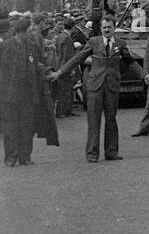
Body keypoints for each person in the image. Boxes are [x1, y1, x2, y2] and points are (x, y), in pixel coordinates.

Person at [51, 15, 133, 163]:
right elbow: (78, 58)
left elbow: (130, 62)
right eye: (104, 27)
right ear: (101, 29)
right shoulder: (94, 42)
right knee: (93, 120)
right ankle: (92, 153)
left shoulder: (120, 43)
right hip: (95, 86)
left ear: (114, 28)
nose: (107, 30)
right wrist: (60, 72)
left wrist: (146, 76)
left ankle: (111, 152)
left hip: (111, 86)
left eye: (109, 27)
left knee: (111, 119)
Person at [0, 16, 54, 166]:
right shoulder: (5, 46)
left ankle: (25, 157)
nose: (32, 33)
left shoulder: (32, 46)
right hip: (9, 93)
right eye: (30, 30)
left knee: (27, 125)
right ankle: (11, 157)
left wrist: (48, 71)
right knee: (10, 126)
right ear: (21, 32)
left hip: (28, 93)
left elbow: (36, 64)